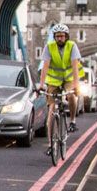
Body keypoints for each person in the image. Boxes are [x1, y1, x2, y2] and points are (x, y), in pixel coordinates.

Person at [38, 23, 81, 152]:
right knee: (51, 111)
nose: (60, 39)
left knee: (71, 95)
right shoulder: (49, 47)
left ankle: (72, 121)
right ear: (54, 37)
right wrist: (41, 84)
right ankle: (51, 145)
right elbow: (45, 67)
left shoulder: (72, 46)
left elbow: (74, 67)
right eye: (57, 36)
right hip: (54, 80)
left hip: (68, 79)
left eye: (62, 36)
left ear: (66, 37)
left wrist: (76, 85)